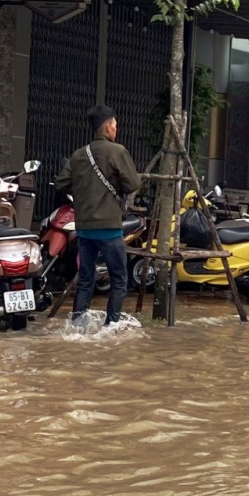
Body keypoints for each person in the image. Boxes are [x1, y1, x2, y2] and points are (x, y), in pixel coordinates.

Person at [56, 104, 142, 328]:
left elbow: (62, 183)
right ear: (107, 127)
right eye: (115, 125)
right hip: (109, 228)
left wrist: (84, 192)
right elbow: (133, 184)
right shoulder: (117, 151)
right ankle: (110, 326)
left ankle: (78, 326)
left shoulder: (78, 154)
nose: (116, 129)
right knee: (119, 279)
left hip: (84, 228)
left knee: (85, 280)